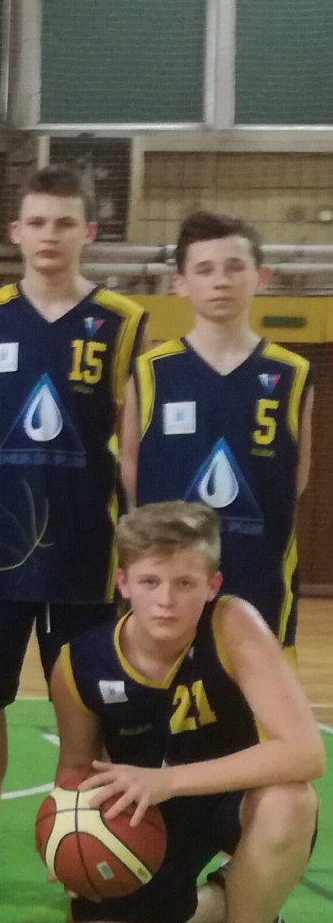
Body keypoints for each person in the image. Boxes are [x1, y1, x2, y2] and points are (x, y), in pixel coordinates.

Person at [0, 165, 146, 900]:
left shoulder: (123, 322)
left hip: (87, 551)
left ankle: (82, 843)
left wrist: (138, 549)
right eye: (38, 222)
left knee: (86, 708)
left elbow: (134, 449)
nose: (50, 235)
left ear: (90, 232)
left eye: (65, 222)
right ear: (15, 231)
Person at [50, 502, 321, 923]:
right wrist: (69, 846)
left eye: (185, 583)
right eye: (150, 581)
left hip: (227, 800)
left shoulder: (233, 625)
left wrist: (167, 781)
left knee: (292, 799)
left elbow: (305, 753)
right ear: (124, 583)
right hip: (141, 820)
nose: (166, 600)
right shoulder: (79, 663)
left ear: (212, 585)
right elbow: (75, 770)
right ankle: (226, 899)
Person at [122, 211, 313, 647]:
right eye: (205, 269)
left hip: (259, 572)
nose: (221, 281)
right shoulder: (150, 372)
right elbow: (131, 472)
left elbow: (298, 475)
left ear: (261, 277)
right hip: (168, 580)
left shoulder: (294, 373)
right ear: (180, 283)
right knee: (163, 683)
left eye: (235, 267)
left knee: (256, 685)